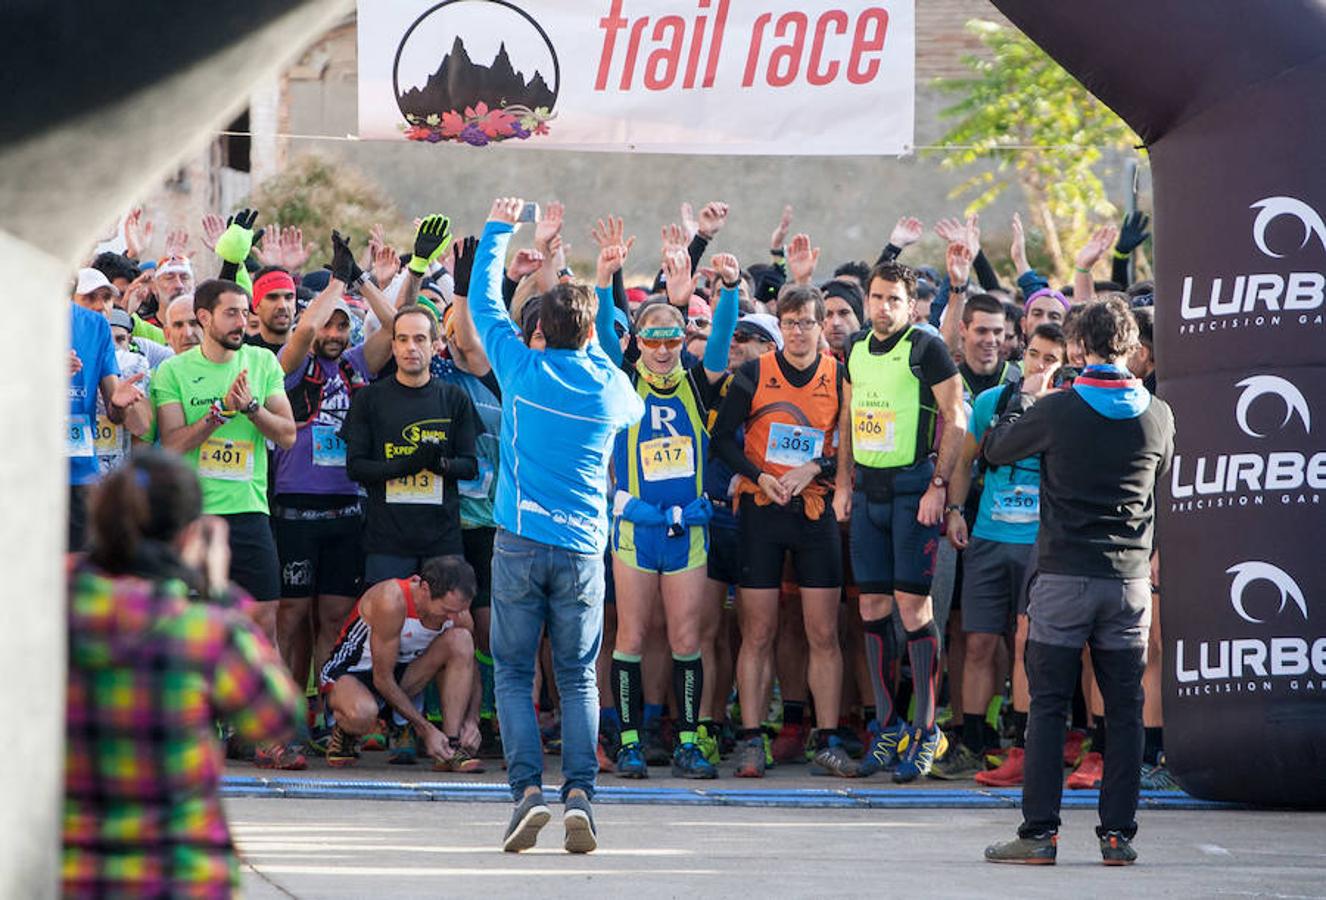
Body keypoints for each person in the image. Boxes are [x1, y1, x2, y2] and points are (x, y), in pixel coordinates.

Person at [468, 197, 643, 855]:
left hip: (517, 542)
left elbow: (482, 302)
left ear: (538, 332)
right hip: (582, 552)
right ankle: (580, 797)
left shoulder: (521, 370)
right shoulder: (610, 390)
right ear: (590, 334)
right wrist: (593, 294)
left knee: (513, 673)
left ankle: (525, 795)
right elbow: (604, 357)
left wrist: (496, 230)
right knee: (576, 676)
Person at [982, 296, 1174, 866]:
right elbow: (1158, 475)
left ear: (1078, 348)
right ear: (1135, 350)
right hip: (1130, 583)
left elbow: (995, 450)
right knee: (1123, 708)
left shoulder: (1058, 408)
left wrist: (1030, 399)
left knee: (1047, 708)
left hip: (1065, 576)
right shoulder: (1160, 413)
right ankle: (1118, 836)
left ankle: (1039, 834)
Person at [65, 449, 301, 897]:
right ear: (190, 534)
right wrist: (216, 592)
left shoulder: (52, 606)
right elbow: (277, 718)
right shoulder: (203, 627)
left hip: (73, 873)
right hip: (179, 874)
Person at [593, 226, 737, 781]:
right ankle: (629, 740)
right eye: (650, 340)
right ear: (639, 341)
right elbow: (607, 335)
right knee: (630, 637)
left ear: (683, 340)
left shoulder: (698, 384)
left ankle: (691, 739)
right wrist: (606, 278)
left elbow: (720, 343)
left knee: (686, 638)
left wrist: (728, 289)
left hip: (688, 533)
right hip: (635, 530)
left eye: (671, 340)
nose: (660, 350)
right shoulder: (625, 380)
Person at [711, 283, 857, 778]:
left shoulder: (840, 376)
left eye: (807, 323)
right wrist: (760, 477)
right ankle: (752, 739)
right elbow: (721, 443)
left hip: (814, 513)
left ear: (822, 329)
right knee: (758, 630)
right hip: (763, 510)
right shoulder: (754, 374)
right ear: (779, 329)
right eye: (789, 323)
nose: (798, 332)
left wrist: (815, 467)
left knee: (823, 631)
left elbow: (854, 448)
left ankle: (829, 737)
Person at [833, 260, 967, 782]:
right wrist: (843, 482)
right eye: (877, 298)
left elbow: (956, 417)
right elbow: (848, 416)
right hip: (869, 492)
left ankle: (927, 729)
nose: (883, 308)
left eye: (894, 300)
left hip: (915, 493)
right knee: (871, 604)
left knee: (915, 609)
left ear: (910, 305)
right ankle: (888, 728)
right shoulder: (856, 348)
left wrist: (939, 486)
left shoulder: (926, 347)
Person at [270, 244, 398, 760]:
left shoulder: (354, 364)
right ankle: (284, 714)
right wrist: (332, 288)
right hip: (294, 509)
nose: (334, 335)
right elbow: (301, 333)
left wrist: (361, 279)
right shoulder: (292, 364)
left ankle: (328, 714)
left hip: (346, 511)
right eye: (329, 326)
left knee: (332, 621)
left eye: (342, 328)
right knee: (290, 617)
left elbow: (395, 327)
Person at [934, 324, 1067, 780]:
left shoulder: (1067, 409)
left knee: (1026, 646)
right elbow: (965, 461)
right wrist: (955, 510)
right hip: (989, 538)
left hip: (1040, 545)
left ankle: (1025, 745)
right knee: (978, 643)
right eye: (1034, 354)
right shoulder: (993, 401)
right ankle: (972, 740)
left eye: (1051, 358)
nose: (1040, 365)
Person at [150, 278, 297, 639]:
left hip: (249, 512)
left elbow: (287, 434)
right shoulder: (173, 370)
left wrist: (250, 408)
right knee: (193, 624)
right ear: (205, 317)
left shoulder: (261, 361)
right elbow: (171, 444)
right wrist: (219, 413)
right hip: (193, 515)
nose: (241, 322)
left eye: (245, 313)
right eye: (231, 313)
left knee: (263, 619)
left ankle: (263, 695)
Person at [342, 305, 479, 586]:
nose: (410, 347)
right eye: (402, 339)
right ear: (392, 346)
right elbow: (355, 468)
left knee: (452, 622)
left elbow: (470, 466)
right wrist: (406, 466)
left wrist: (441, 465)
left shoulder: (455, 399)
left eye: (419, 339)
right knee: (387, 622)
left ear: (435, 345)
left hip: (442, 540)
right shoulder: (369, 399)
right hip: (386, 541)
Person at [320, 555, 484, 772]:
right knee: (362, 713)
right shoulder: (391, 600)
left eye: (460, 610)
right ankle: (346, 730)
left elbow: (470, 667)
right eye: (446, 610)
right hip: (355, 673)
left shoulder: (458, 614)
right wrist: (426, 729)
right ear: (424, 589)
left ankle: (450, 746)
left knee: (462, 639)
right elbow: (382, 679)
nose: (453, 617)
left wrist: (473, 720)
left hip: (404, 674)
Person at [69, 268, 152, 550]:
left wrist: (119, 402)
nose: (99, 304)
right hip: (28, 469)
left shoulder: (96, 326)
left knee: (77, 572)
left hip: (79, 470)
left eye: (105, 297)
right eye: (90, 296)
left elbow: (116, 413)